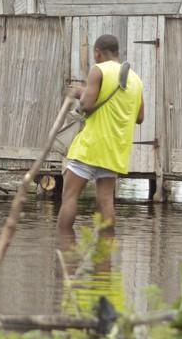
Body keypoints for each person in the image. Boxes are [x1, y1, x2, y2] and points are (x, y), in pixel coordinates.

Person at [58, 34, 144, 247]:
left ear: (98, 52)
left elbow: (86, 105)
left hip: (92, 146)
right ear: (117, 52)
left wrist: (81, 92)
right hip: (115, 149)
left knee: (70, 196)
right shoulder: (136, 79)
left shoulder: (99, 70)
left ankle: (64, 247)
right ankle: (105, 254)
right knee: (106, 201)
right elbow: (140, 118)